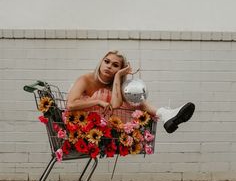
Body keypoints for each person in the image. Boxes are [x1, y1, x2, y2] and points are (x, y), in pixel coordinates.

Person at [67, 50, 195, 133]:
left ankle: (165, 114)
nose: (109, 66)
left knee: (132, 93)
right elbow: (70, 105)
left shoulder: (115, 83)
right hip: (81, 122)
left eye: (115, 65)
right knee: (119, 94)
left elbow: (115, 105)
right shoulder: (85, 79)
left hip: (104, 122)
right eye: (106, 62)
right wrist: (98, 101)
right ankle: (165, 114)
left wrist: (118, 76)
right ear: (101, 62)